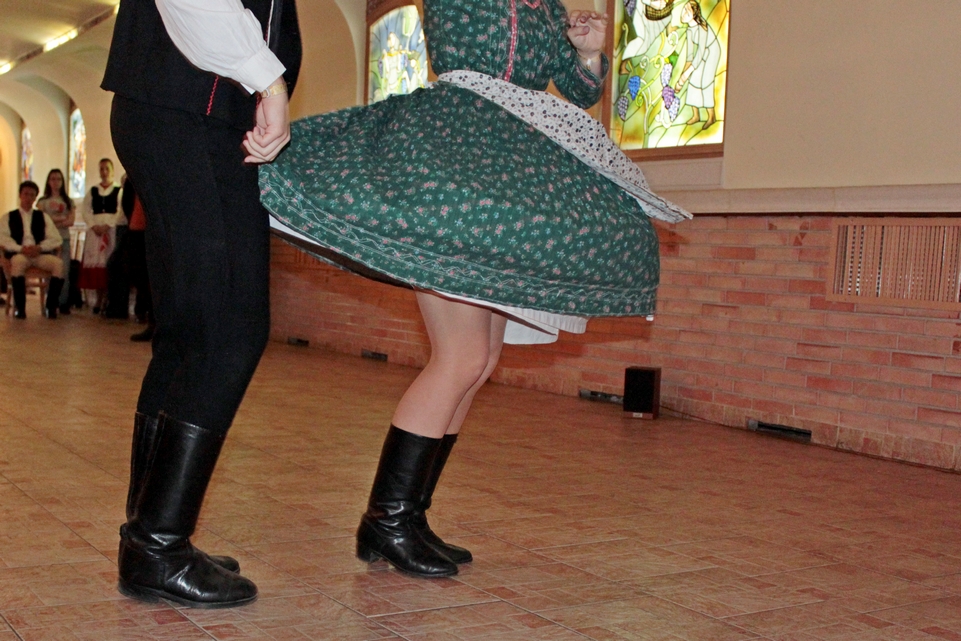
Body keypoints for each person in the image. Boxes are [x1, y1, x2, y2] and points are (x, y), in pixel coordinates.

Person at [260, 0, 690, 578]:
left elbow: (577, 90)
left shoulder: (549, 7)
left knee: (480, 359)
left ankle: (409, 516)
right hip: (456, 168)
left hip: (508, 172)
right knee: (460, 358)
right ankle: (386, 521)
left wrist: (588, 54)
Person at [102, 0, 301, 609]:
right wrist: (268, 80)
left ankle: (150, 530)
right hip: (192, 113)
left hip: (179, 111)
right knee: (229, 328)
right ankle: (157, 544)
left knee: (189, 333)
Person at [0, 181, 66, 319]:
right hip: (20, 254)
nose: (28, 198)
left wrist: (40, 247)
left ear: (35, 197)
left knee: (58, 264)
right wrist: (20, 248)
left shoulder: (43, 217)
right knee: (17, 263)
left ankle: (51, 307)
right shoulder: (8, 217)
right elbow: (3, 238)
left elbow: (56, 239)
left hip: (39, 254)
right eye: (26, 194)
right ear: (20, 195)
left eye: (32, 195)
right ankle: (20, 309)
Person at [79, 159, 122, 314]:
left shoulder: (118, 190)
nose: (104, 172)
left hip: (111, 231)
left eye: (107, 169)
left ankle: (108, 299)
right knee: (97, 265)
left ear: (112, 170)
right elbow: (85, 210)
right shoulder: (93, 191)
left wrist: (108, 225)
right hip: (95, 232)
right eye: (102, 169)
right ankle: (98, 299)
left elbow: (120, 211)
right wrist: (93, 225)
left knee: (108, 263)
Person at [674, 0, 721, 130]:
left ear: (694, 16)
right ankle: (696, 115)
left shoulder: (702, 29)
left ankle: (711, 116)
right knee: (693, 79)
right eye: (684, 9)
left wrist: (685, 75)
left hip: (712, 52)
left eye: (687, 12)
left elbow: (700, 54)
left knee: (705, 81)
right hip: (702, 53)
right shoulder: (689, 30)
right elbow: (690, 56)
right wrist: (683, 77)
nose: (683, 14)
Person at [35, 169, 75, 315]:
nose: (56, 182)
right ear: (48, 181)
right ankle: (50, 302)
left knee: (64, 269)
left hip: (63, 238)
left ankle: (63, 302)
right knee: (49, 271)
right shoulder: (43, 201)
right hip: (47, 240)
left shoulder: (68, 201)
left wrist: (52, 220)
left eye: (58, 179)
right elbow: (42, 220)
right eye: (53, 179)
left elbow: (70, 221)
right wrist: (60, 219)